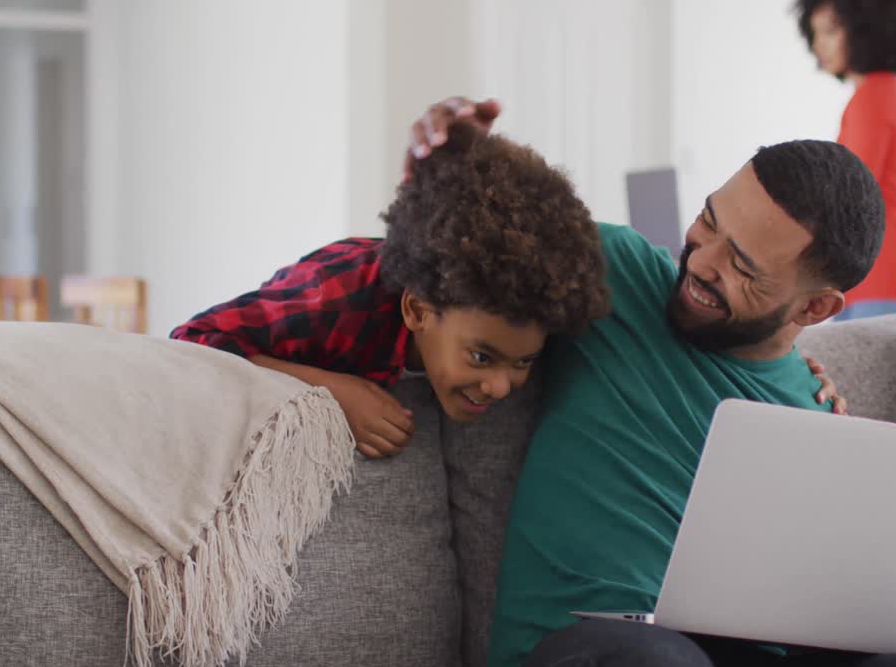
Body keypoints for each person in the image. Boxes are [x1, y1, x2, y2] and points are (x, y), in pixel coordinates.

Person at [407, 98, 896, 667]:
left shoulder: (818, 417)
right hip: (594, 661)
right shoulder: (612, 273)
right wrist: (443, 164)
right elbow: (450, 258)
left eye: (743, 267)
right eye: (709, 221)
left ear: (814, 308)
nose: (701, 262)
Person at [171, 123, 610, 459]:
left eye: (522, 362)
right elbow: (193, 342)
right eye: (481, 357)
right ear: (417, 310)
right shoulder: (335, 294)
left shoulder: (521, 316)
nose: (499, 386)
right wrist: (333, 394)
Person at [798, 0, 896, 320]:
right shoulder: (882, 91)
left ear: (865, 31)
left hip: (879, 276)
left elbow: (847, 192)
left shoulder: (872, 96)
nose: (818, 45)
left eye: (830, 31)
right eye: (815, 33)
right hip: (879, 274)